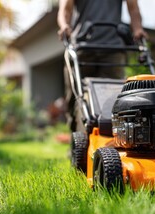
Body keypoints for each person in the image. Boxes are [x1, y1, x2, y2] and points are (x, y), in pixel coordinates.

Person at [57, 0, 148, 131]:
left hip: (113, 48)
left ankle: (111, 138)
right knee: (75, 96)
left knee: (113, 97)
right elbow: (66, 9)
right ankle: (76, 138)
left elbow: (133, 8)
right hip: (81, 46)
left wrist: (138, 28)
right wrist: (64, 25)